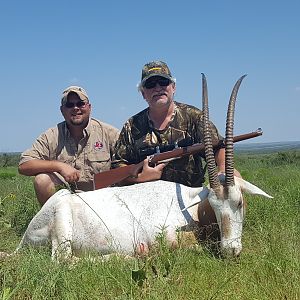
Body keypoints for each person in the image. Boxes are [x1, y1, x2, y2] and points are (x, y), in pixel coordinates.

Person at [113, 60, 240, 187]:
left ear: (173, 87)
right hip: (146, 199)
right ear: (143, 93)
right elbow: (117, 169)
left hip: (190, 198)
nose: (157, 88)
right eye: (150, 84)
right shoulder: (132, 126)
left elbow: (218, 146)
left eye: (163, 82)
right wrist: (140, 178)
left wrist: (222, 168)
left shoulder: (194, 117)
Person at [19, 86, 119, 205]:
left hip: (104, 199)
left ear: (89, 107)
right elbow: (24, 165)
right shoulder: (52, 135)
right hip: (66, 203)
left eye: (80, 103)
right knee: (42, 180)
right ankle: (54, 222)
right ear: (62, 110)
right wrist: (59, 166)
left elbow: (128, 164)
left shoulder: (109, 133)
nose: (76, 108)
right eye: (70, 105)